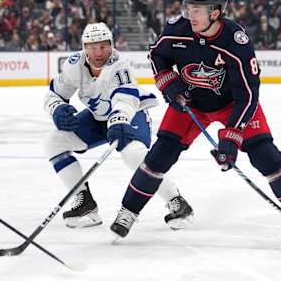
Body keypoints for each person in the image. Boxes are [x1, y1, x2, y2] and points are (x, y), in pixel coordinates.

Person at [110, 0, 281, 240]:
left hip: (232, 105)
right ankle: (128, 211)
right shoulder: (177, 30)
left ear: (215, 12)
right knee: (159, 156)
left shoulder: (237, 42)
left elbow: (248, 95)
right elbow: (157, 56)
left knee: (266, 156)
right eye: (189, 7)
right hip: (190, 103)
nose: (190, 14)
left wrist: (232, 137)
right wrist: (170, 84)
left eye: (197, 9)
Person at [43, 22, 193, 229]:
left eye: (104, 46)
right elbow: (55, 93)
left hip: (131, 115)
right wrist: (57, 109)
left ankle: (176, 200)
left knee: (134, 155)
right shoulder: (73, 64)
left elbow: (125, 98)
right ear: (84, 47)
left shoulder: (119, 65)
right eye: (93, 47)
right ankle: (84, 203)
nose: (98, 52)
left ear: (111, 45)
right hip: (98, 119)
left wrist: (119, 119)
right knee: (54, 142)